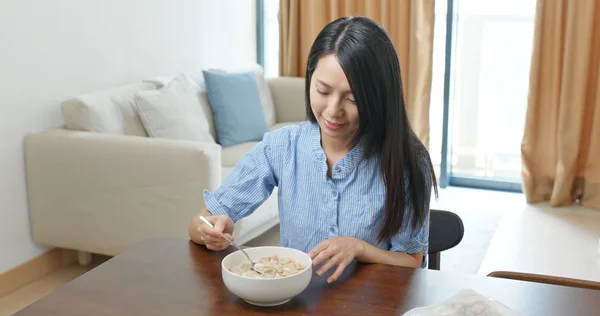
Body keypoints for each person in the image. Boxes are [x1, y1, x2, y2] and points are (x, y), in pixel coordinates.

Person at [189, 16, 438, 283]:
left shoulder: (406, 160)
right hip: (298, 302)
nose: (333, 111)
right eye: (323, 90)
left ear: (379, 97)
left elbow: (411, 262)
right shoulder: (283, 146)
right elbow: (202, 221)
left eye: (352, 98)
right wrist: (208, 231)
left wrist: (359, 248)